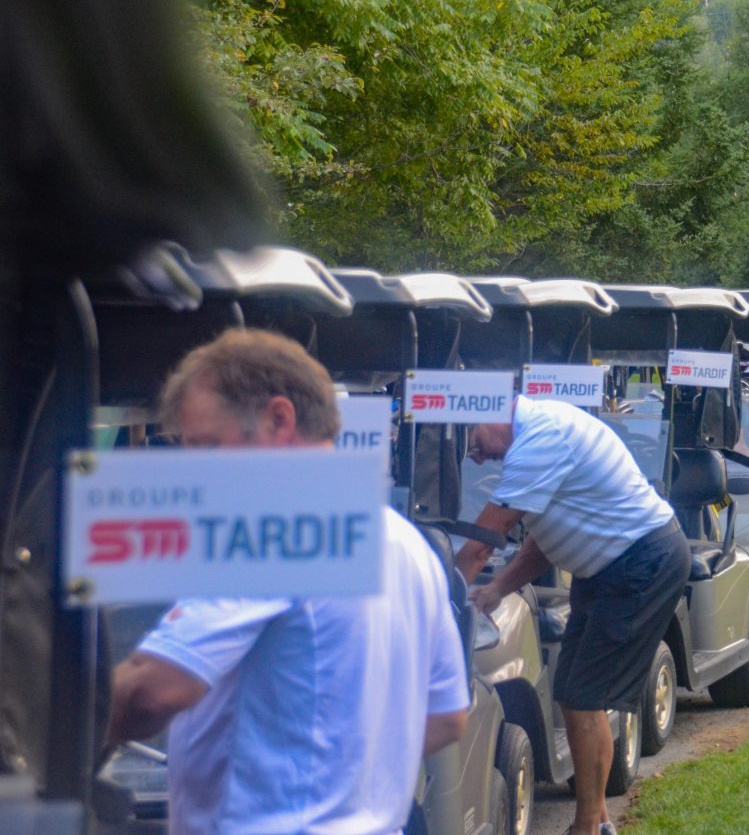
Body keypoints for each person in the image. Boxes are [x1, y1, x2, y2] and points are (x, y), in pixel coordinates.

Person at [107, 329, 469, 835]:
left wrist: (43, 737)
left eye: (207, 445)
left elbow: (151, 692)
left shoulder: (275, 524)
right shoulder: (406, 543)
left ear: (279, 419)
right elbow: (448, 716)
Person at [457, 396, 689, 835]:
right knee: (572, 692)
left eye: (473, 440)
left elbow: (482, 541)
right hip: (608, 568)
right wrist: (495, 590)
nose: (476, 454)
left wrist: (440, 598)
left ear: (493, 411)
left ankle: (586, 828)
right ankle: (597, 823)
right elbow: (545, 540)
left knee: (584, 697)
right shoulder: (535, 436)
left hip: (640, 561)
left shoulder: (540, 439)